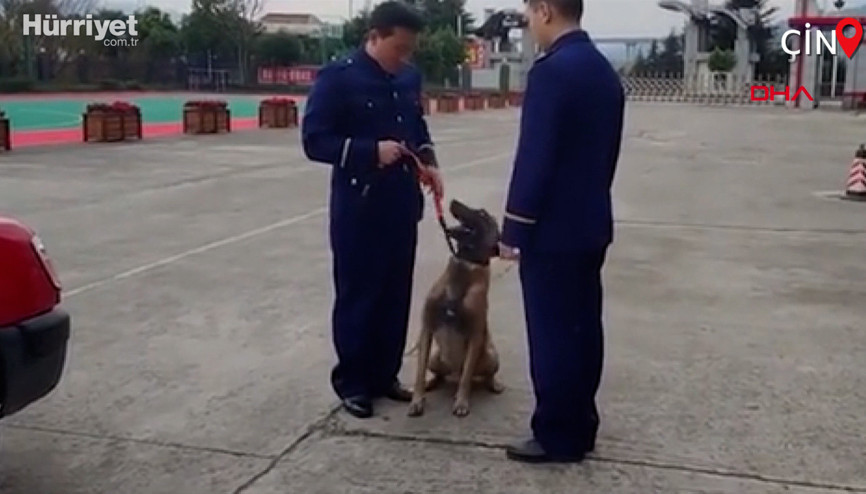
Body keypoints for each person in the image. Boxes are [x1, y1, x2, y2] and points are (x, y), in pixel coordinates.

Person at [301, 1, 443, 419]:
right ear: (374, 36)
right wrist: (368, 152)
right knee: (359, 295)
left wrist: (429, 162)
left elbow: (417, 127)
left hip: (402, 204)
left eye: (409, 50)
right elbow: (314, 141)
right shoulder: (338, 78)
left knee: (395, 295)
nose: (405, 58)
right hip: (359, 207)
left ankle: (385, 375)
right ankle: (355, 383)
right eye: (398, 48)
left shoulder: (409, 76)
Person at [498, 0, 625, 463]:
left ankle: (556, 434)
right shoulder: (600, 70)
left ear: (546, 10)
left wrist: (515, 228)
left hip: (551, 231)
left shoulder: (552, 72)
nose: (530, 24)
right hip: (590, 222)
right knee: (583, 330)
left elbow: (535, 157)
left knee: (552, 335)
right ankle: (581, 424)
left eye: (530, 13)